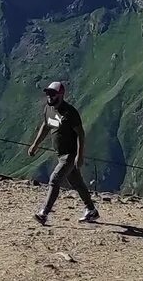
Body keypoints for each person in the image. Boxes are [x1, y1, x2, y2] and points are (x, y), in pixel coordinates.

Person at [26, 80, 100, 224]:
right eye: (48, 93)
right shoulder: (49, 109)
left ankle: (44, 213)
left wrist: (79, 155)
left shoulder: (70, 113)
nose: (49, 97)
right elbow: (46, 126)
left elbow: (80, 134)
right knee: (77, 183)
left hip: (69, 155)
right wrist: (35, 145)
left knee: (54, 179)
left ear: (60, 95)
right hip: (60, 155)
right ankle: (91, 210)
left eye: (52, 94)